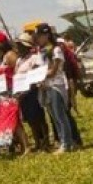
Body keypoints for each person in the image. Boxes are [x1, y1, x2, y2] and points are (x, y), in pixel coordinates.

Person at [34, 23, 77, 154]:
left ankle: (67, 142)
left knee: (60, 116)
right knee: (53, 116)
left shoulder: (55, 50)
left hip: (56, 85)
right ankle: (64, 141)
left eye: (40, 36)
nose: (38, 39)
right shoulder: (41, 51)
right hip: (45, 86)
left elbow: (53, 71)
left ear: (46, 35)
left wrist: (39, 75)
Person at [15, 33, 50, 152]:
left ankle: (45, 141)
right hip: (22, 93)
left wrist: (29, 85)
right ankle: (37, 142)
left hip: (32, 91)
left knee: (39, 118)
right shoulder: (19, 60)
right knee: (30, 119)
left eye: (20, 45)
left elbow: (37, 74)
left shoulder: (34, 58)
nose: (18, 47)